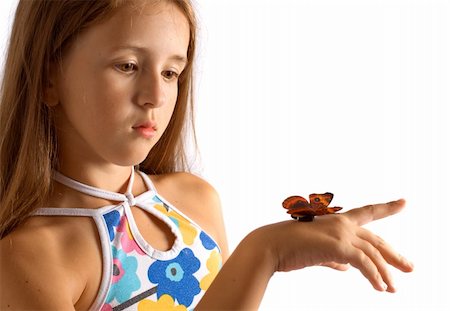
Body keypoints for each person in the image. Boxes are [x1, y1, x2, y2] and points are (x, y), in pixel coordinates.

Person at [0, 0, 413, 310]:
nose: (156, 97)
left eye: (170, 72)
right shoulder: (29, 259)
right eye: (127, 65)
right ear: (48, 77)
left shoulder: (195, 200)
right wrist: (264, 252)